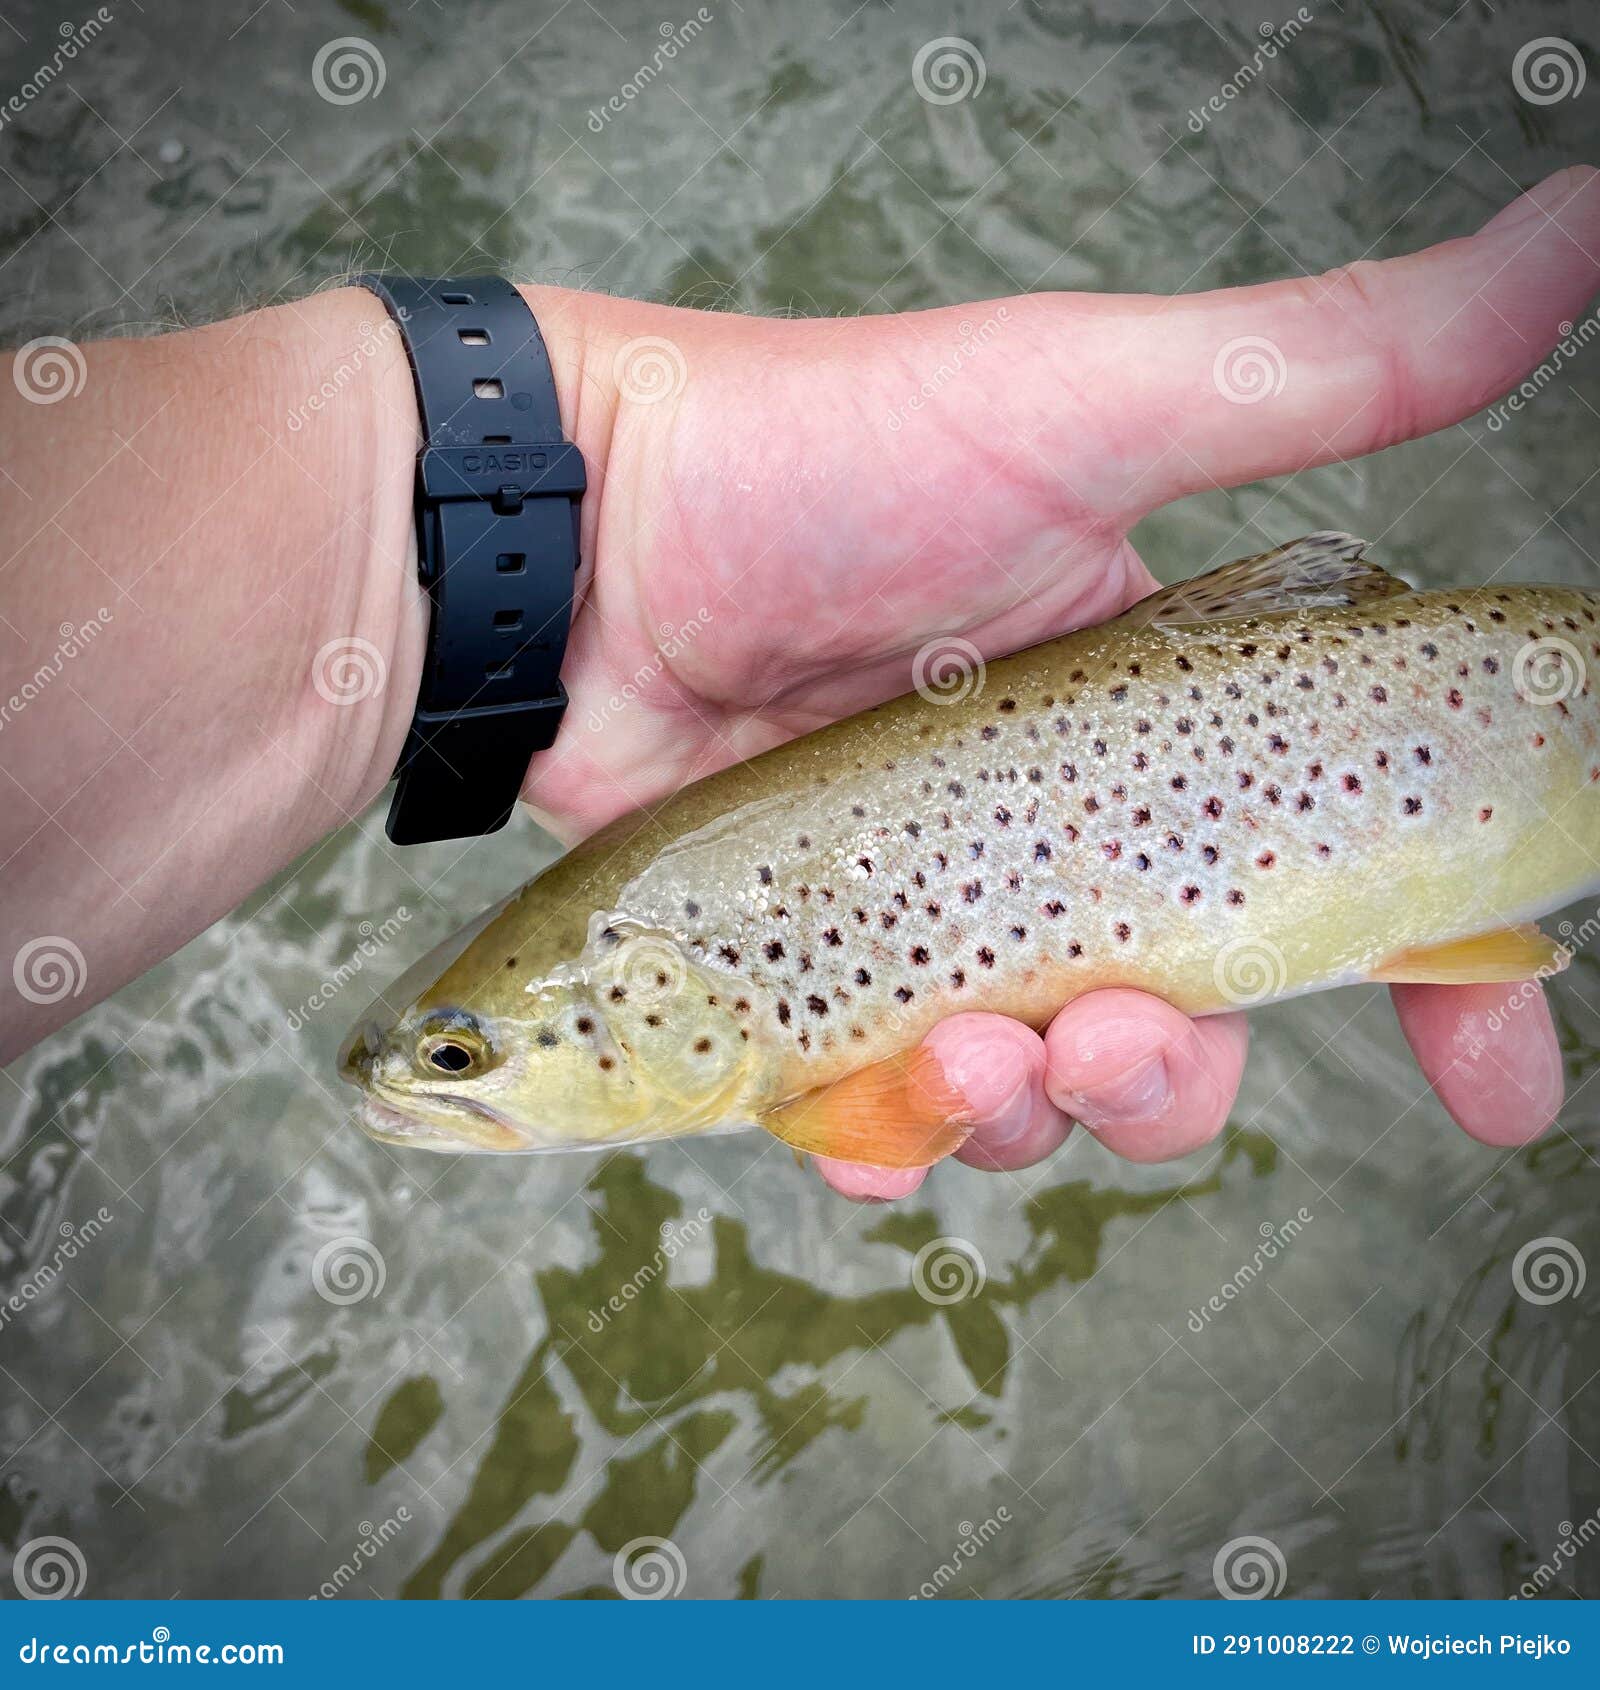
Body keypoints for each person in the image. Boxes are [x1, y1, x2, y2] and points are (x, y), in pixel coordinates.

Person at [3, 168, 1594, 1201]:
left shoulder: (791, 1078)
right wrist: (508, 506)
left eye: (463, 1056)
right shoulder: (783, 1071)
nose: (426, 1080)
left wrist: (493, 524)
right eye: (459, 1053)